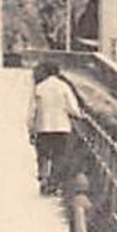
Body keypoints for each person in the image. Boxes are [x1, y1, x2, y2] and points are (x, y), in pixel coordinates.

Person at [28, 62, 83, 194]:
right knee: (59, 155)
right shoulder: (64, 87)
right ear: (57, 73)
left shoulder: (39, 88)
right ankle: (53, 183)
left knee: (43, 154)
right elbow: (73, 108)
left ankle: (44, 179)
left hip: (43, 126)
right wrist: (79, 115)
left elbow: (32, 111)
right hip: (61, 127)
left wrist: (30, 128)